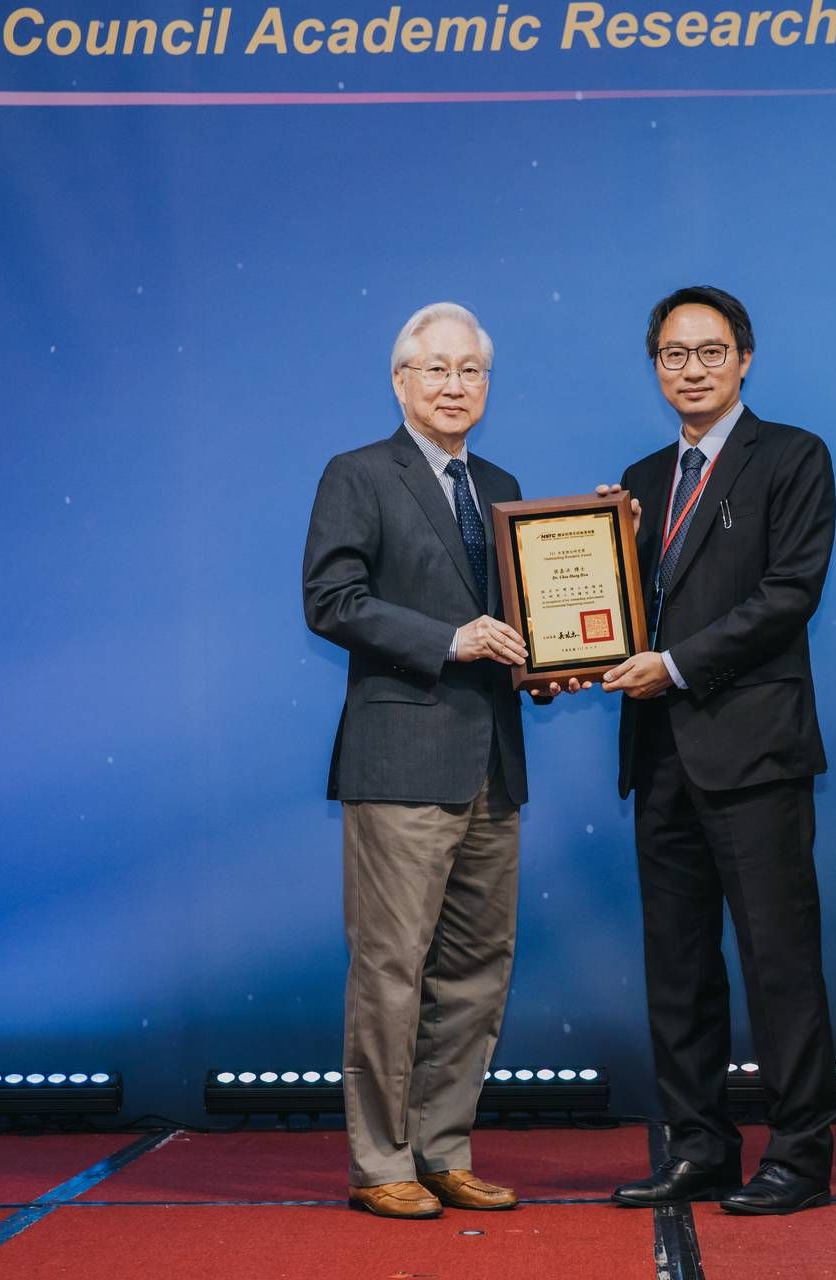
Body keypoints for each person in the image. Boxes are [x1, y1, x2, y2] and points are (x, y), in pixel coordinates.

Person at [302, 301, 574, 1219]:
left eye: (472, 371)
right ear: (400, 380)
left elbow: (517, 623)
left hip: (492, 761)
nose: (455, 386)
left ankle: (443, 1150)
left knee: (477, 970)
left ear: (487, 385)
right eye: (437, 369)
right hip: (399, 763)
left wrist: (548, 666)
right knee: (391, 971)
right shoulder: (357, 474)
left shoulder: (501, 484)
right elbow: (331, 600)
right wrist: (451, 641)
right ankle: (381, 1162)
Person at [601, 285, 836, 1215]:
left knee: (780, 963)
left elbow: (789, 594)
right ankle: (698, 1148)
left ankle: (800, 1157)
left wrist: (675, 665)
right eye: (673, 354)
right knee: (679, 969)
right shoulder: (642, 478)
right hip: (660, 753)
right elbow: (627, 610)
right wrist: (605, 558)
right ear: (654, 367)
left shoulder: (792, 456)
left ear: (744, 358)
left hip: (754, 753)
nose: (691, 369)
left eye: (709, 352)